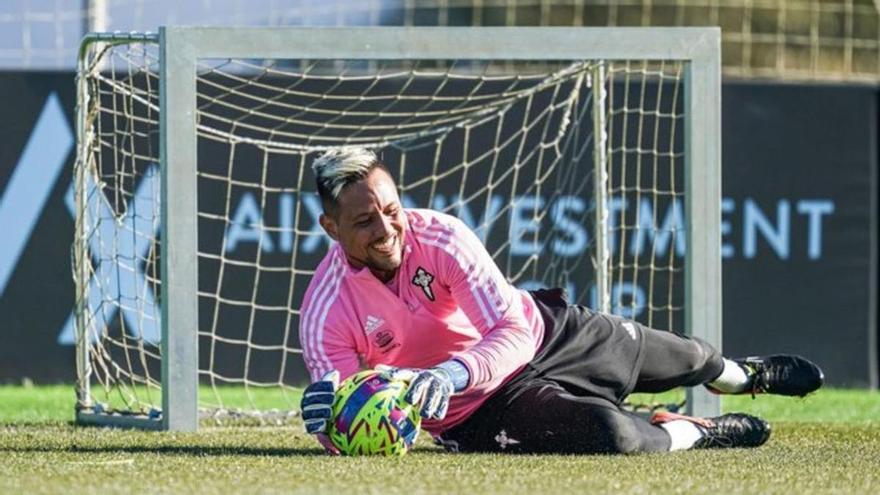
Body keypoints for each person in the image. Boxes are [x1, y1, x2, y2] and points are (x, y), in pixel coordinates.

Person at [298, 147, 823, 455]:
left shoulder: (441, 238)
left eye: (392, 210)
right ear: (331, 226)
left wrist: (450, 372)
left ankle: (742, 376)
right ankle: (695, 431)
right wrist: (328, 425)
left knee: (689, 358)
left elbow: (513, 334)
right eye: (365, 221)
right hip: (477, 411)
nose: (387, 228)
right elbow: (348, 417)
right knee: (615, 435)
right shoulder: (324, 310)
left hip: (548, 334)